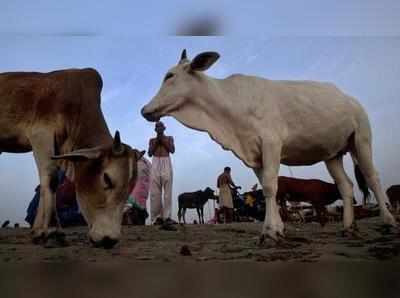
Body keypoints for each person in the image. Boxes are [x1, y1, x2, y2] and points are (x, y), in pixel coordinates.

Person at [147, 121, 176, 229]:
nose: (159, 128)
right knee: (155, 192)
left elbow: (172, 150)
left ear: (164, 128)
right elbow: (150, 153)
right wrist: (157, 141)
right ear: (155, 129)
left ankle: (167, 217)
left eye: (160, 126)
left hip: (166, 162)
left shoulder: (169, 138)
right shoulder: (152, 140)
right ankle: (157, 217)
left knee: (167, 191)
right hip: (155, 162)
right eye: (157, 127)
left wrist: (162, 139)